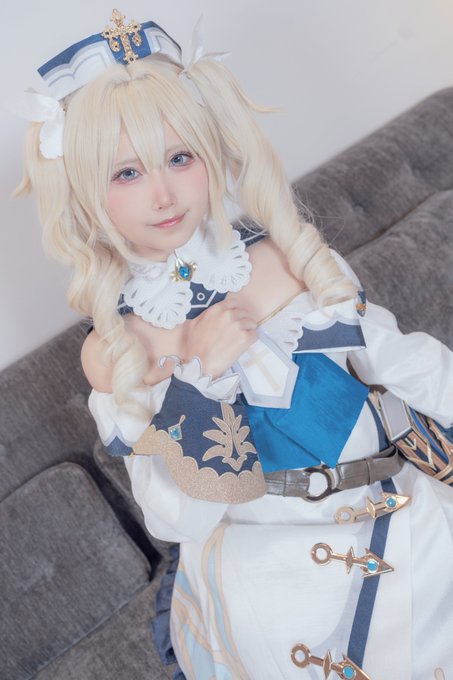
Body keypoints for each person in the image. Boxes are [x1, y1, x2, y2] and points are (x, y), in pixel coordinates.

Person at [17, 10, 453, 680]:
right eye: (125, 173)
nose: (162, 194)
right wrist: (200, 374)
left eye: (179, 157)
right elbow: (178, 519)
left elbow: (408, 367)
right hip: (272, 576)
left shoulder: (288, 257)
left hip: (404, 517)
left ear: (210, 152)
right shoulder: (115, 350)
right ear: (83, 190)